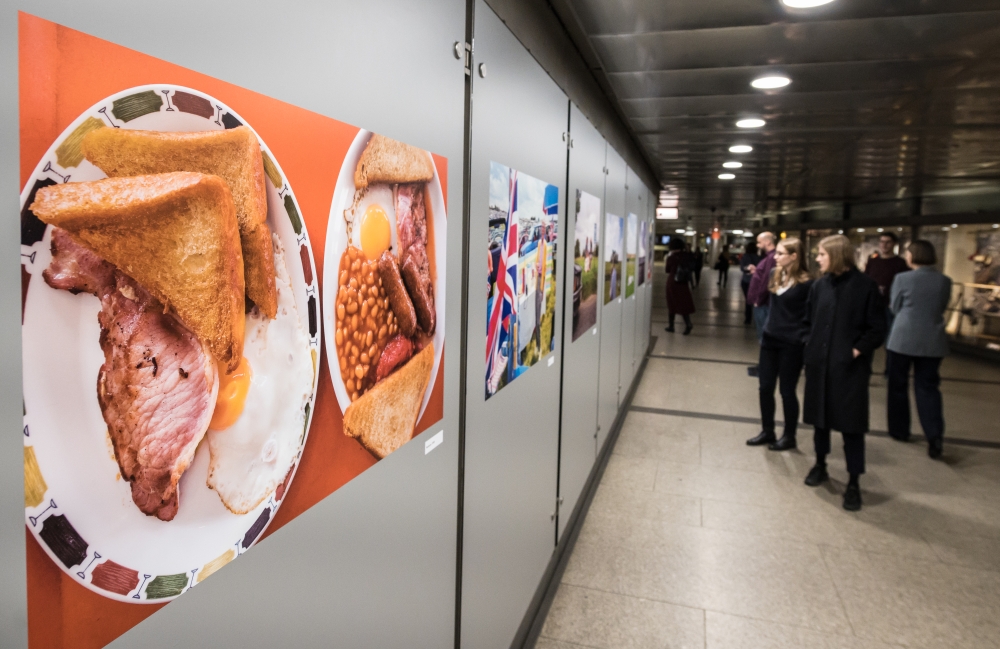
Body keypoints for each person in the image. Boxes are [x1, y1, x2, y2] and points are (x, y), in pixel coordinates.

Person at [802, 235, 886, 511]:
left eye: (822, 254)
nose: (817, 259)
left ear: (837, 255)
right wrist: (810, 344)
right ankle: (820, 464)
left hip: (849, 370)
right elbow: (808, 320)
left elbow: (876, 328)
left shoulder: (865, 287)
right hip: (819, 365)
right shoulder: (819, 286)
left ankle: (853, 482)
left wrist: (854, 351)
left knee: (852, 426)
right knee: (820, 421)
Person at [886, 240, 952, 459]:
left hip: (903, 338)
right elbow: (941, 306)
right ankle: (934, 436)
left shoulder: (903, 279)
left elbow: (895, 307)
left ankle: (899, 430)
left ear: (912, 255)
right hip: (933, 340)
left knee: (898, 385)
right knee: (928, 388)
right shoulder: (944, 281)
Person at [747, 238, 813, 451]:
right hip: (770, 339)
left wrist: (804, 337)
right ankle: (767, 430)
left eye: (781, 253)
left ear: (794, 256)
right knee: (765, 387)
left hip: (792, 343)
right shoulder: (776, 274)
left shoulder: (807, 284)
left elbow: (811, 316)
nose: (775, 257)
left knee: (787, 390)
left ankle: (789, 435)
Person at [746, 232, 778, 344]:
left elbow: (767, 281)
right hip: (762, 302)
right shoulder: (767, 258)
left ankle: (765, 361)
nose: (757, 245)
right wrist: (757, 272)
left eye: (759, 242)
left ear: (767, 242)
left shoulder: (771, 258)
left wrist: (758, 300)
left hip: (763, 303)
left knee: (763, 336)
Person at [664, 238, 695, 335]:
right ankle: (688, 323)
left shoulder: (671, 257)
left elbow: (667, 270)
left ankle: (671, 326)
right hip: (683, 282)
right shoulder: (686, 256)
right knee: (684, 303)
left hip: (673, 282)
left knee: (671, 303)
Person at [740, 242, 762, 325]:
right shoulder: (759, 258)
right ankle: (756, 317)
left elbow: (742, 268)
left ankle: (748, 318)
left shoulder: (745, 257)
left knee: (748, 300)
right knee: (755, 300)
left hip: (746, 281)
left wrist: (748, 269)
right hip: (755, 282)